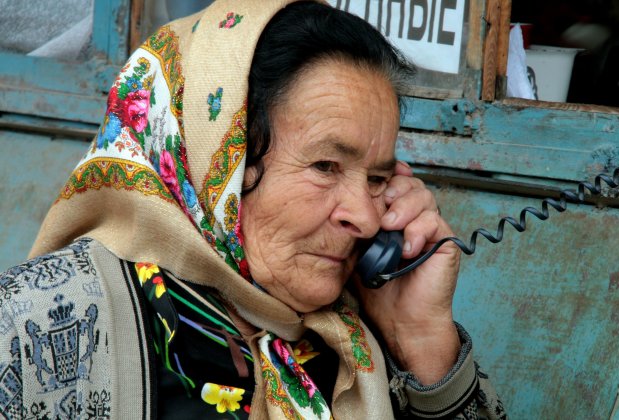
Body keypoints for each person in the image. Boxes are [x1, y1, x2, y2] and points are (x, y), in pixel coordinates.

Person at [0, 1, 506, 418]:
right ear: (212, 153)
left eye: (377, 179)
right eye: (326, 166)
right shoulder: (33, 323)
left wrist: (421, 342)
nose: (368, 219)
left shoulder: (356, 347)